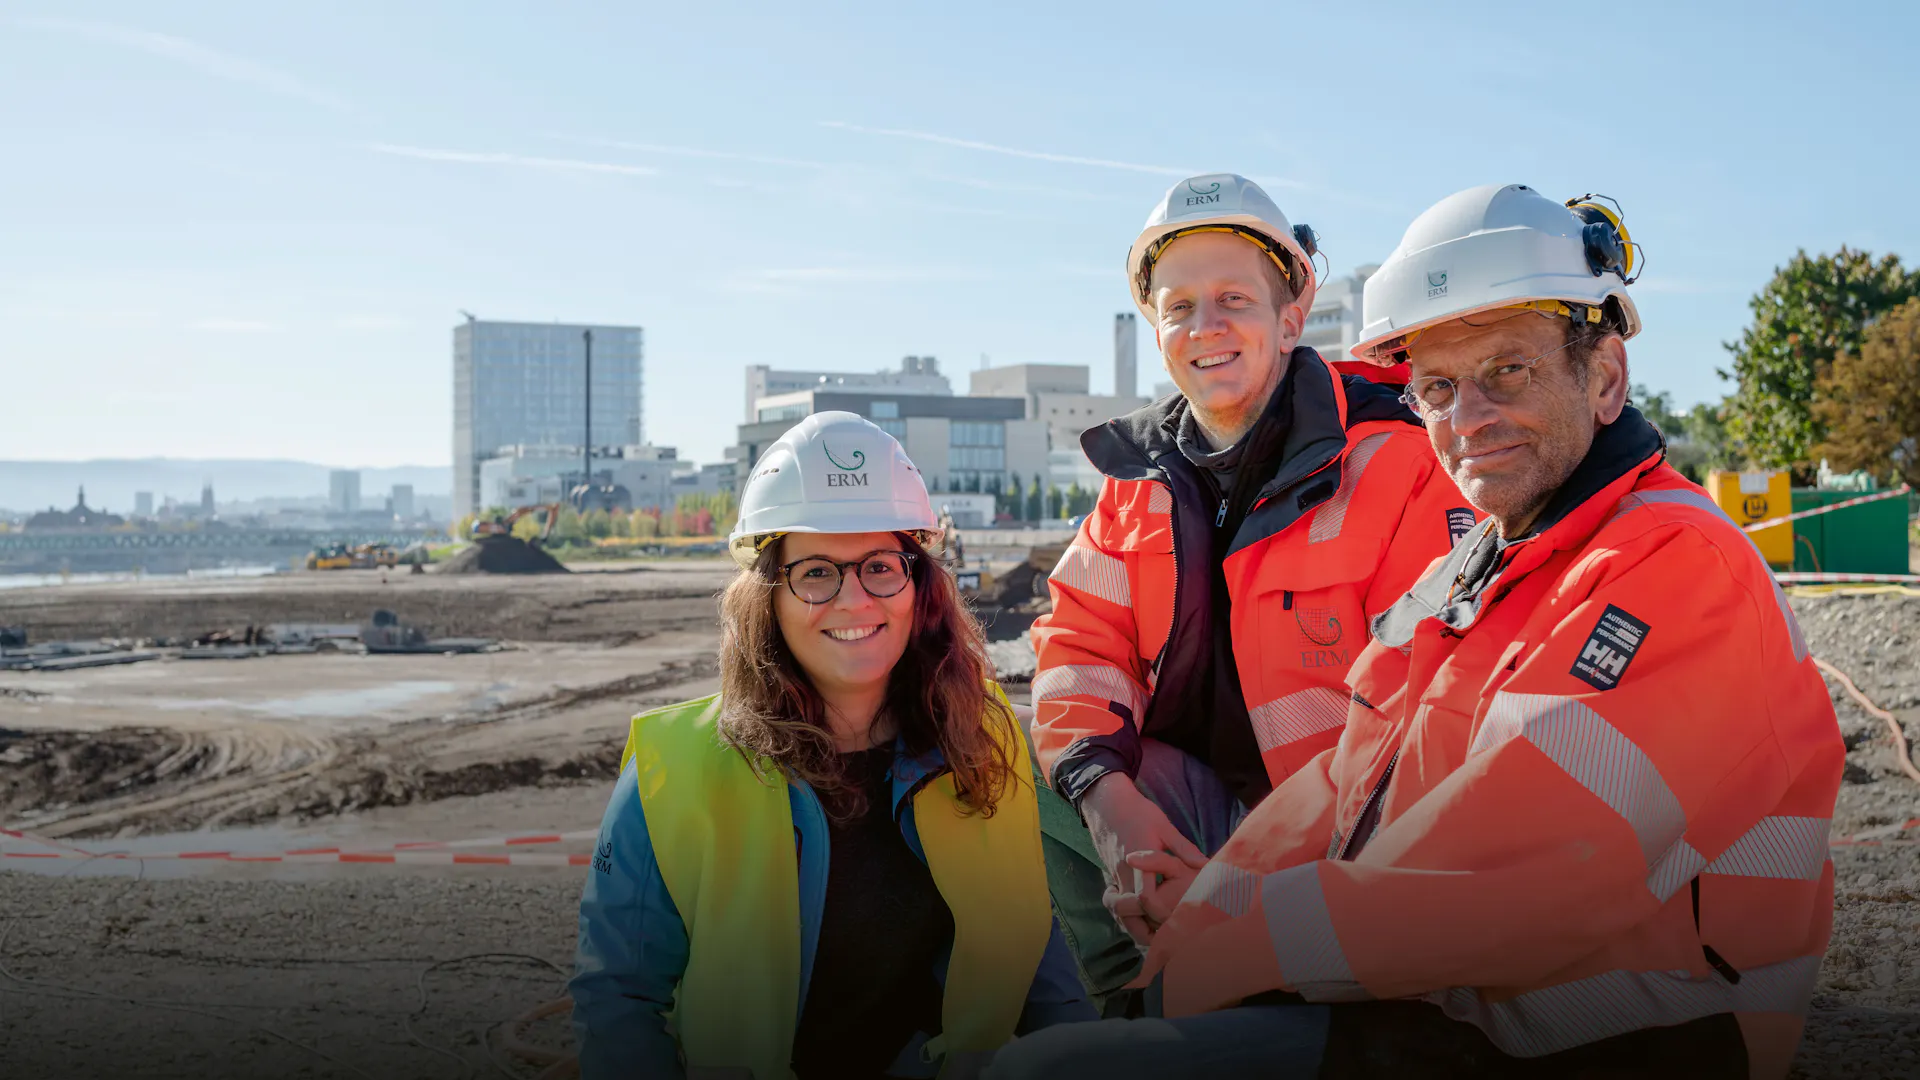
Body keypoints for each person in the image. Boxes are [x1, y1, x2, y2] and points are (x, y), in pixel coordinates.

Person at [987, 186, 1841, 1079]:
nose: (1467, 418)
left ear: (1605, 377)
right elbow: (1349, 782)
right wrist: (1203, 925)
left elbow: (1523, 880)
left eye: (1508, 370)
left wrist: (1233, 951)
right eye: (1437, 387)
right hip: (1451, 997)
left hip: (1630, 1031)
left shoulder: (1673, 564)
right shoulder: (1489, 563)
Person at [1027, 174, 1475, 1003]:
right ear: (1157, 330)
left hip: (1348, 841)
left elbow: (1425, 728)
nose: (1206, 326)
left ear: (1291, 317)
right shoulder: (1137, 481)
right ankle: (1136, 998)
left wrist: (1239, 890)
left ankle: (1222, 996)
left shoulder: (1401, 463)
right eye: (1179, 306)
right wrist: (1114, 810)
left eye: (1234, 298)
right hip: (1200, 815)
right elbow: (1078, 650)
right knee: (1025, 762)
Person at [571, 411, 1093, 1080]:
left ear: (920, 589)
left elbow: (1040, 973)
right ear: (769, 596)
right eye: (816, 572)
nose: (854, 600)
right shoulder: (673, 770)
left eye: (880, 567)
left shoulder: (986, 740)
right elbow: (618, 1001)